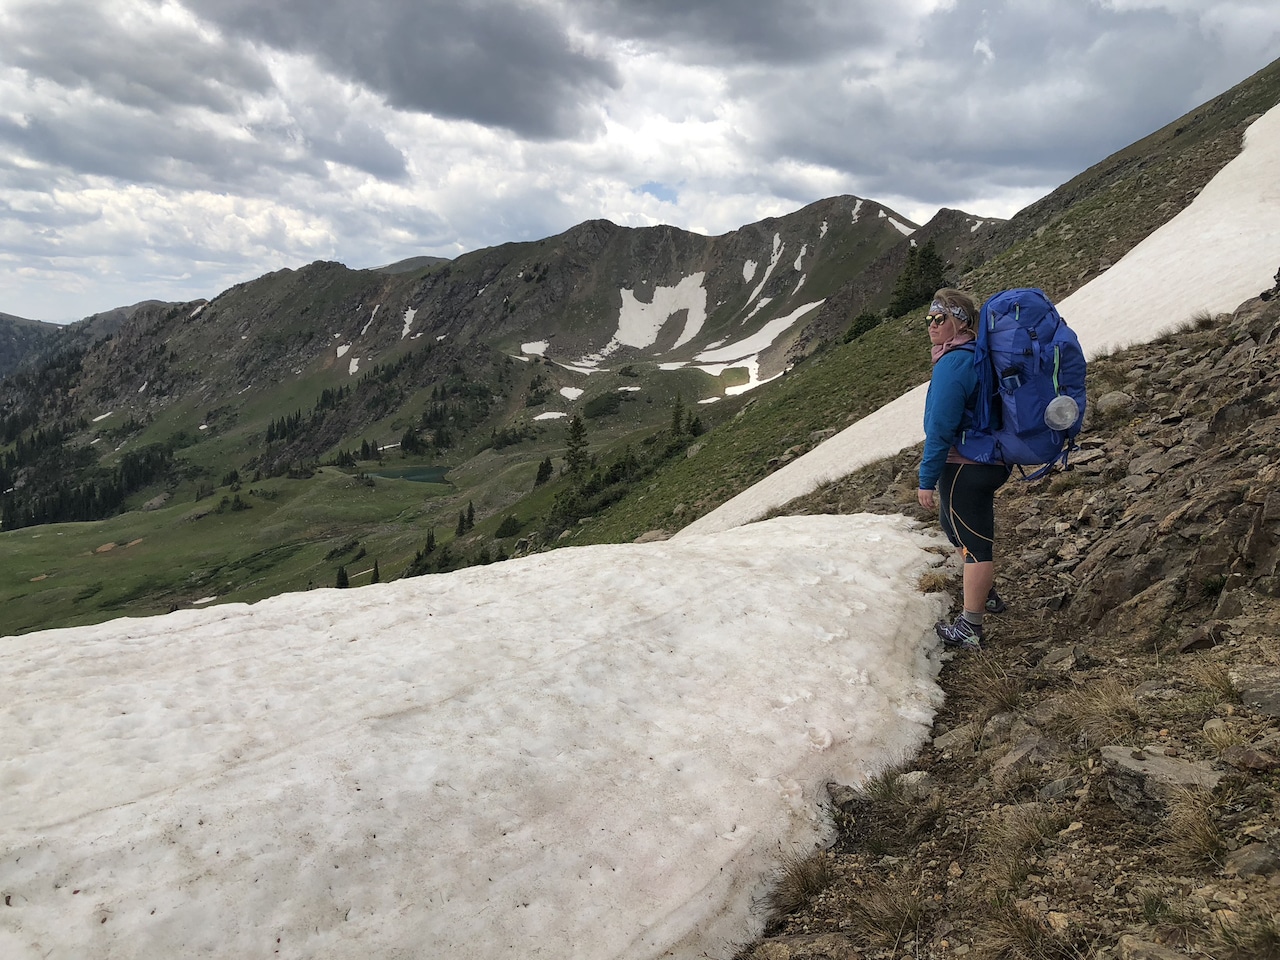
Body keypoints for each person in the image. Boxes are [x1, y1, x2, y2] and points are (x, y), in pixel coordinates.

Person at [916, 288, 1012, 651]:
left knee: (974, 545)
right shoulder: (976, 355)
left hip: (964, 465)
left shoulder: (955, 362)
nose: (932, 325)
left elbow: (941, 426)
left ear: (960, 321)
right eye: (929, 318)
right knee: (954, 527)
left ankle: (971, 627)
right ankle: (985, 594)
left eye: (939, 318)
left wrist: (927, 479)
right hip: (990, 459)